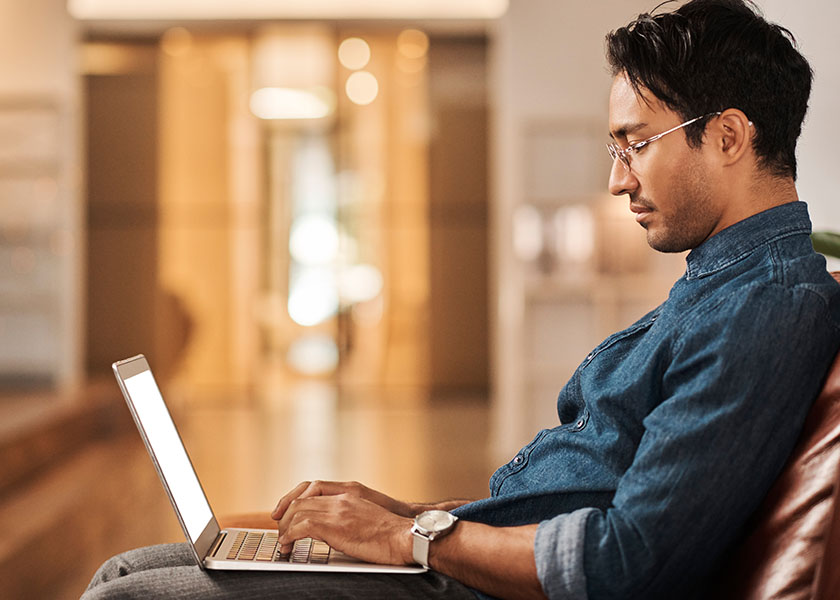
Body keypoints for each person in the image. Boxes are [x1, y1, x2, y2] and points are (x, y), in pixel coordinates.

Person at [82, 1, 840, 598]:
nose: (618, 180)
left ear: (730, 137)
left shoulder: (767, 305)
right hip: (464, 567)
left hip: (473, 589)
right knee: (126, 572)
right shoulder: (724, 284)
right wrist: (400, 513)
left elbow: (625, 560)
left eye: (634, 144)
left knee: (132, 594)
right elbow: (579, 495)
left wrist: (408, 540)